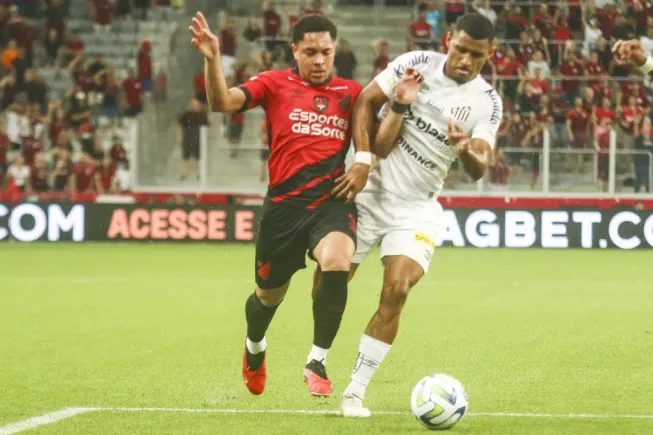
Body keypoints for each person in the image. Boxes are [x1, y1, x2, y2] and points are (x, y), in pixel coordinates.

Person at [318, 13, 502, 417]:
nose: (466, 61)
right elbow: (366, 100)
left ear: (490, 54)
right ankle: (317, 356)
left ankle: (354, 392)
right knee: (328, 282)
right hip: (369, 194)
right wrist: (363, 158)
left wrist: (463, 148)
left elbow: (479, 167)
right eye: (460, 49)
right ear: (449, 39)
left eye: (476, 55)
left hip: (417, 207)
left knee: (397, 290)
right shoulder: (415, 63)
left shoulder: (487, 102)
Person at [189, 12, 371, 397]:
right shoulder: (273, 83)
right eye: (310, 52)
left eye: (326, 51)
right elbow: (221, 102)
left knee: (338, 259)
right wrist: (211, 58)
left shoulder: (352, 92)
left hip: (331, 202)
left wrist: (363, 161)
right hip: (283, 210)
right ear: (294, 50)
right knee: (268, 297)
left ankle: (317, 360)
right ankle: (255, 345)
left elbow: (372, 136)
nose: (319, 60)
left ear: (334, 50)